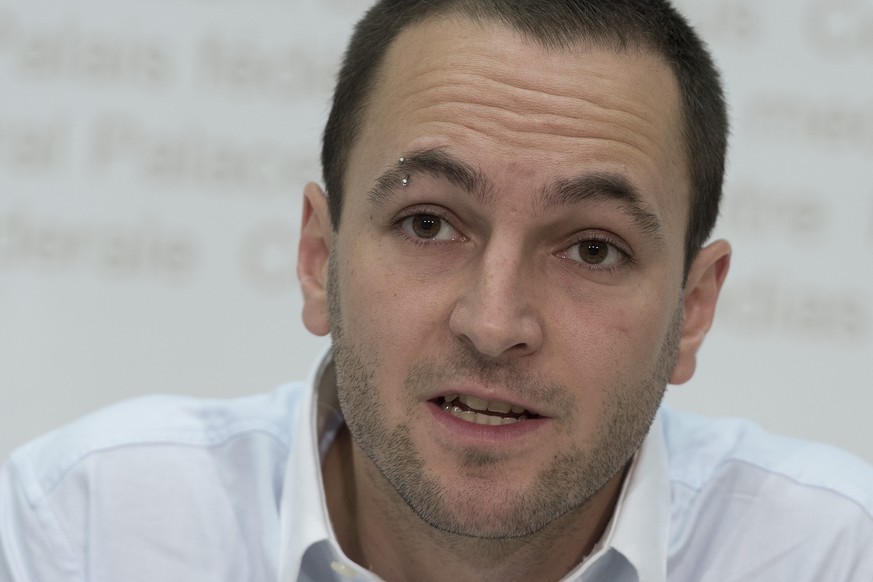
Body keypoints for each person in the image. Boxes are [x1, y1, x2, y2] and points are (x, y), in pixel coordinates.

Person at [2, 0, 872, 580]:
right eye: (428, 224)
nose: (494, 325)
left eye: (593, 250)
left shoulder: (830, 555)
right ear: (318, 257)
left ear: (691, 311)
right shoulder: (86, 528)